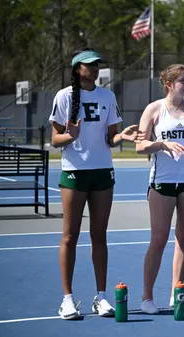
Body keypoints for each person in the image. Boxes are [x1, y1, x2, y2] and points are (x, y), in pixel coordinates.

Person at [49, 48, 138, 320]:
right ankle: (67, 299)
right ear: (78, 69)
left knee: (99, 237)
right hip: (75, 172)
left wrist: (122, 135)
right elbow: (55, 140)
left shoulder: (108, 96)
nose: (95, 68)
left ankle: (101, 297)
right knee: (69, 236)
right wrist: (70, 136)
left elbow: (110, 139)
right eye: (90, 65)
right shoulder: (64, 96)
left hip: (102, 173)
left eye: (97, 64)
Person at [135, 64, 184, 314]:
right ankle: (146, 297)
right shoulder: (154, 109)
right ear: (169, 84)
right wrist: (162, 143)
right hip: (162, 183)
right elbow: (140, 146)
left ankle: (176, 291)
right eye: (183, 81)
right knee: (158, 240)